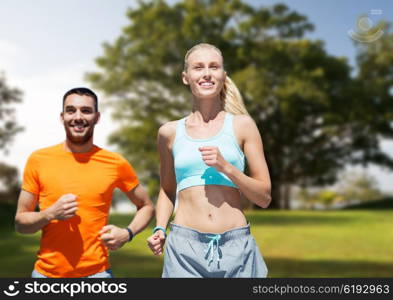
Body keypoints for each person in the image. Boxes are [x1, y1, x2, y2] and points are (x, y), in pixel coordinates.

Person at [147, 43, 271, 278]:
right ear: (186, 77)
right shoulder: (168, 132)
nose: (206, 73)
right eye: (198, 67)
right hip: (185, 250)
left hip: (238, 250)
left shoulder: (243, 126)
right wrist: (160, 228)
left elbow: (264, 197)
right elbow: (167, 189)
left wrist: (227, 168)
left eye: (214, 67)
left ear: (223, 75)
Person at [15, 87, 154, 278]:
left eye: (86, 111)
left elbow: (146, 205)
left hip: (97, 275)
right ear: (62, 116)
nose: (78, 117)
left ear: (97, 117)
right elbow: (21, 223)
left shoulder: (115, 162)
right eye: (71, 110)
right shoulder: (38, 159)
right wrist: (49, 214)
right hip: (45, 276)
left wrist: (127, 233)